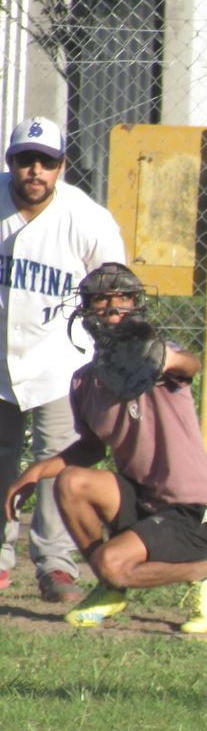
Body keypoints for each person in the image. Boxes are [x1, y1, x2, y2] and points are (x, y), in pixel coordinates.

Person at [3, 263, 207, 633]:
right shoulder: (84, 381)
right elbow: (90, 448)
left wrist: (166, 358)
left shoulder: (158, 357)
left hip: (193, 512)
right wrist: (33, 473)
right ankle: (113, 586)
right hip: (144, 499)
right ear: (86, 310)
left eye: (122, 299)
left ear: (136, 305)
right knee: (71, 482)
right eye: (101, 300)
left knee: (112, 563)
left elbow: (189, 364)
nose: (112, 307)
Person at [0, 115, 127, 603]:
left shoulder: (87, 218)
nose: (35, 170)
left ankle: (55, 566)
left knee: (55, 465)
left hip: (60, 362)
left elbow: (115, 287)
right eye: (25, 159)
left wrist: (110, 357)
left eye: (46, 161)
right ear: (11, 162)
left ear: (62, 166)